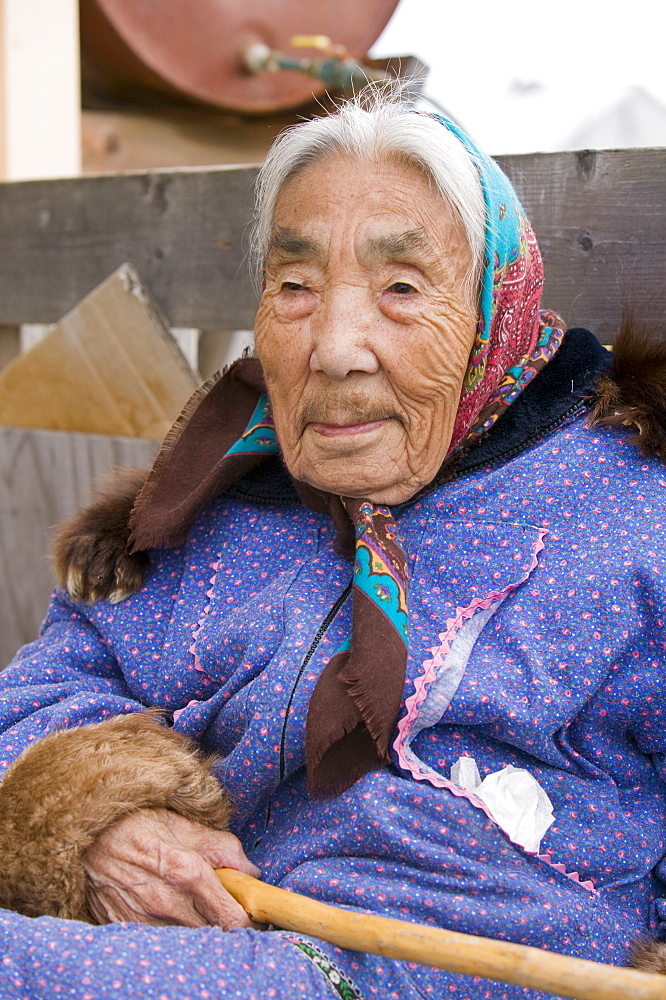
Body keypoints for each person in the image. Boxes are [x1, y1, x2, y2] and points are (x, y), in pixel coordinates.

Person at [0, 94, 664, 1000]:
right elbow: (54, 681)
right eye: (297, 288)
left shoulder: (626, 516)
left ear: (491, 309)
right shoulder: (220, 500)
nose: (337, 347)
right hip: (222, 938)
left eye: (400, 289)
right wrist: (96, 816)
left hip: (465, 967)